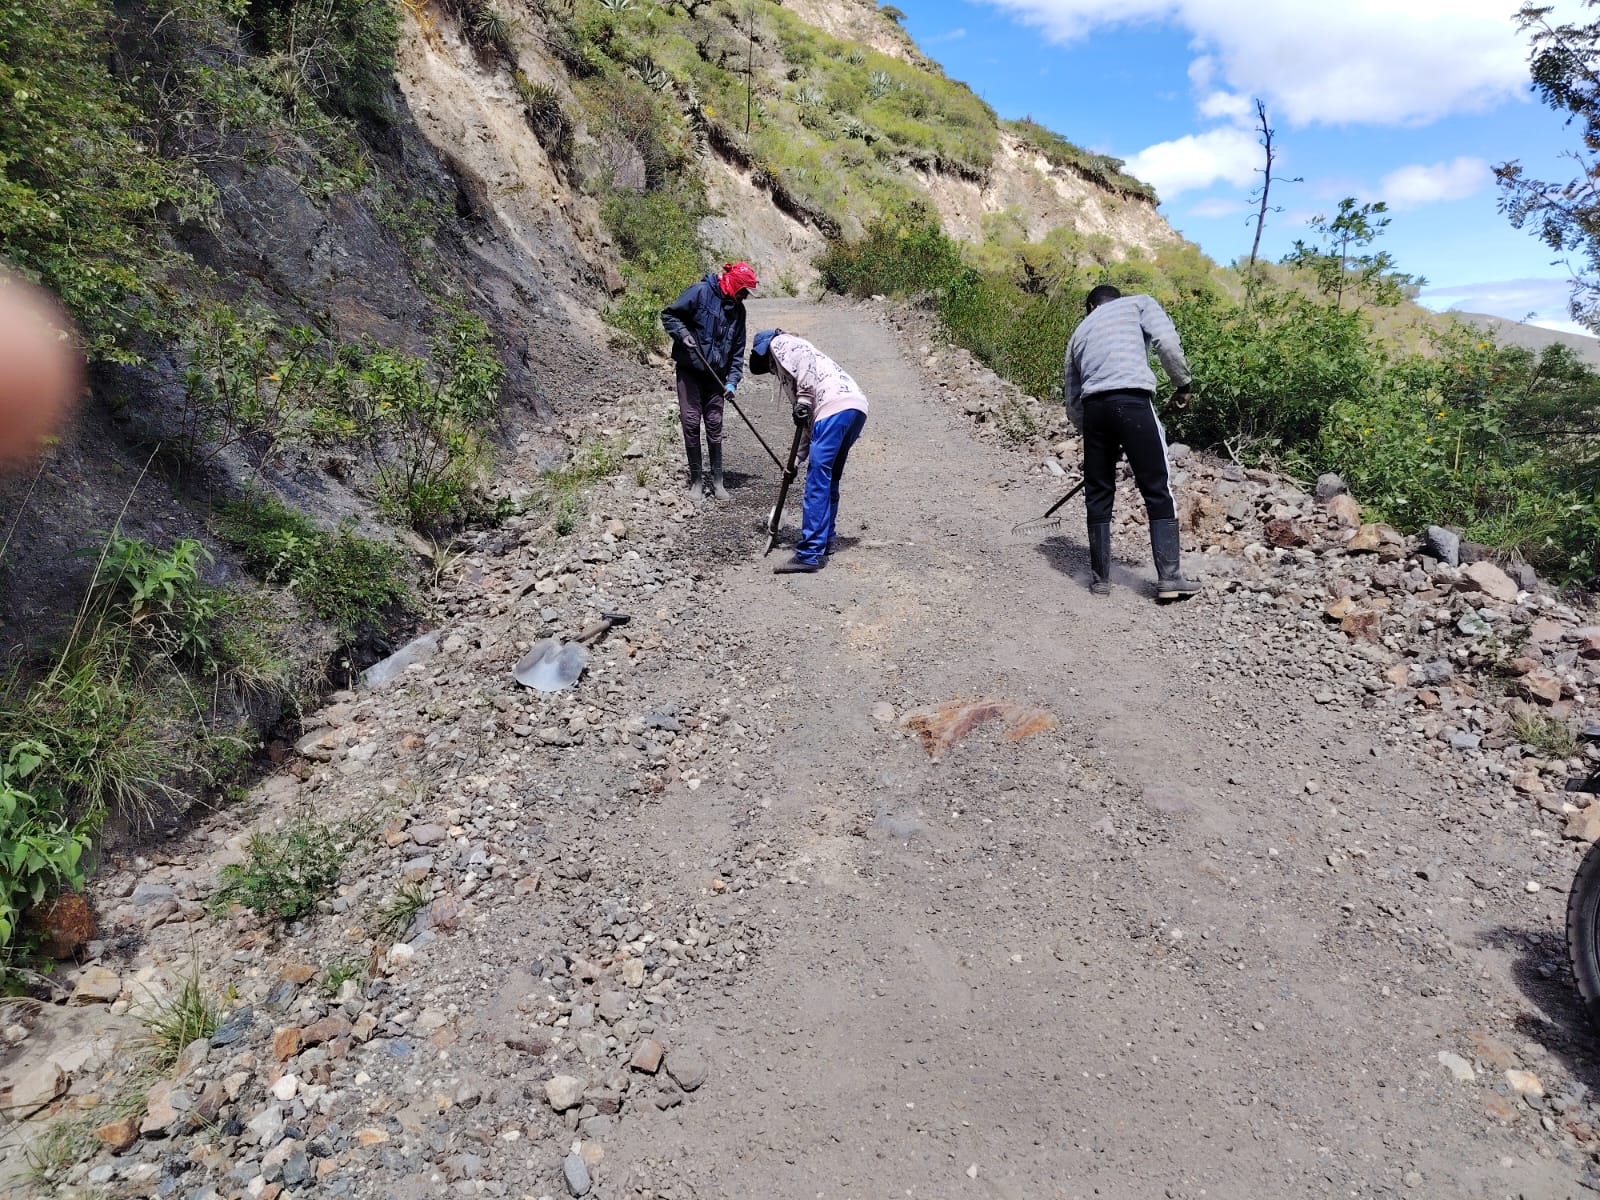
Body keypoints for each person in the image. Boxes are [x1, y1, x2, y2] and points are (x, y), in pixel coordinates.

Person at [1064, 284, 1199, 602]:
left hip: (1094, 410)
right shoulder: (1139, 304)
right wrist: (1183, 384)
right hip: (1133, 399)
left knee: (1098, 492)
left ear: (1090, 307)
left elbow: (1072, 396)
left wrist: (1096, 435)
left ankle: (1100, 581)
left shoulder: (1079, 332)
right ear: (1116, 299)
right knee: (1156, 487)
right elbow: (1167, 342)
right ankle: (1170, 578)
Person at [749, 329, 868, 575]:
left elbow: (804, 358)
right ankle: (826, 541)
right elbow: (808, 426)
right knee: (829, 478)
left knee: (817, 481)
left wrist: (802, 400)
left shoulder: (781, 343)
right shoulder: (808, 371)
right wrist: (795, 461)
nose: (772, 372)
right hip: (854, 407)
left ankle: (810, 553)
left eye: (768, 367)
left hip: (833, 408)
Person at [660, 261, 757, 500]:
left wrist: (732, 381)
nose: (745, 296)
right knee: (691, 422)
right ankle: (696, 482)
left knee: (714, 424)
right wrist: (683, 334)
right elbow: (669, 315)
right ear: (734, 284)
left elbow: (737, 351)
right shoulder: (701, 292)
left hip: (717, 377)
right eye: (744, 291)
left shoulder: (739, 312)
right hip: (690, 371)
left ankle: (717, 482)